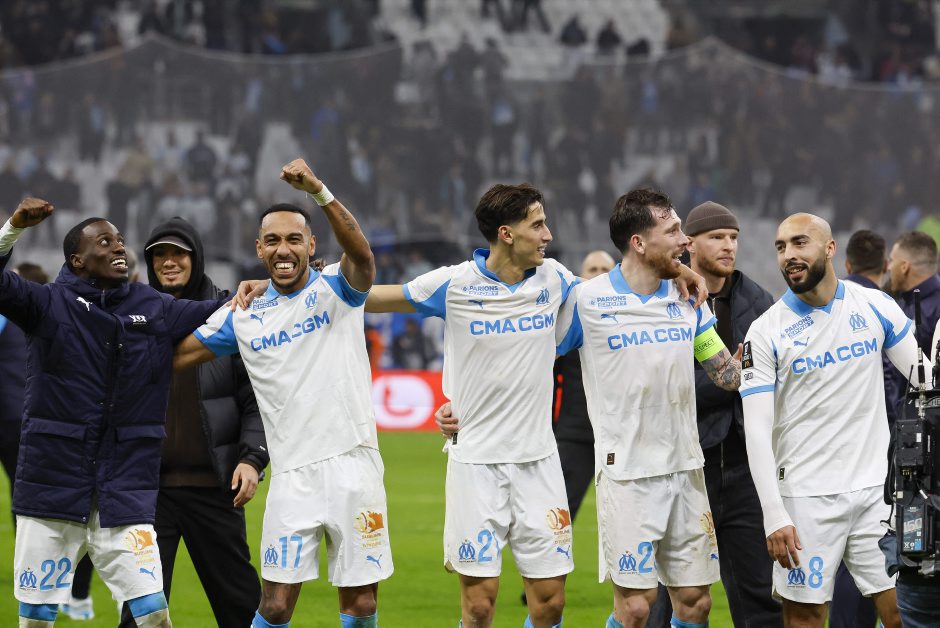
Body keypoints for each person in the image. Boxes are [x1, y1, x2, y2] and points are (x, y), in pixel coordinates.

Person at [372, 183, 708, 627]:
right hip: (476, 463)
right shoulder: (453, 284)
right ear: (507, 233)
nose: (548, 234)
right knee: (479, 607)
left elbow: (620, 288)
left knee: (549, 605)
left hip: (540, 463)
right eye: (538, 225)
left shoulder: (556, 280)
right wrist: (307, 287)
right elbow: (372, 297)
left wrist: (676, 271)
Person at [0, 197, 252, 628]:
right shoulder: (46, 304)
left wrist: (268, 290)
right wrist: (13, 229)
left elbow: (224, 310)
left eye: (119, 239)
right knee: (36, 621)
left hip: (124, 493)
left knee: (153, 615)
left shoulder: (153, 305)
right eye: (104, 242)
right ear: (78, 261)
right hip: (52, 487)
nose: (119, 246)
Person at [173, 159, 389, 628]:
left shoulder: (338, 287)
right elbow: (176, 355)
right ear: (259, 249)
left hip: (354, 465)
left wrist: (318, 190)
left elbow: (364, 257)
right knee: (273, 605)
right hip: (292, 476)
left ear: (312, 245)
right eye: (272, 240)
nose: (283, 249)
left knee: (361, 604)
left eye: (294, 239)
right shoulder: (243, 313)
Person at [555, 189, 742, 628]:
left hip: (685, 468)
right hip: (627, 475)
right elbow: (532, 357)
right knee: (636, 608)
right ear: (638, 242)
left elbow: (725, 375)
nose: (685, 240)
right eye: (673, 230)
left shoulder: (687, 298)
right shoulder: (587, 300)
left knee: (695, 603)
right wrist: (464, 404)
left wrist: (754, 362)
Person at [740, 213, 927, 628]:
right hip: (805, 498)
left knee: (902, 613)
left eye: (799, 243)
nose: (788, 254)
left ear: (829, 249)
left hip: (876, 494)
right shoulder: (765, 332)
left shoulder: (875, 305)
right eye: (781, 247)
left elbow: (925, 381)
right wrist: (774, 514)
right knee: (805, 618)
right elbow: (756, 429)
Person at [115, 217, 269, 628]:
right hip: (148, 493)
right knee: (140, 614)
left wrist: (252, 458)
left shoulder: (232, 314)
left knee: (241, 609)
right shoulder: (133, 317)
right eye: (159, 255)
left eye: (178, 253)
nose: (168, 262)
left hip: (215, 490)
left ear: (196, 257)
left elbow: (256, 399)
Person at [647, 201, 780, 627]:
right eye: (716, 237)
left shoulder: (759, 301)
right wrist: (729, 381)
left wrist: (735, 381)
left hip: (743, 471)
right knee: (663, 599)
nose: (728, 246)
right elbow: (665, 388)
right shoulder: (664, 300)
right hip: (685, 468)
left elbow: (769, 384)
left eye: (733, 237)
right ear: (689, 244)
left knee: (761, 596)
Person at [829, 229, 893, 628]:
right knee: (883, 554)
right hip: (884, 453)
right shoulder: (890, 309)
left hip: (829, 458)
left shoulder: (824, 311)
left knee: (843, 560)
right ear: (886, 266)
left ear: (846, 263)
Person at [552, 250, 615, 521]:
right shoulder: (565, 322)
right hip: (575, 435)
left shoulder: (631, 320)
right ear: (580, 275)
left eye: (605, 269)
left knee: (628, 518)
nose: (598, 275)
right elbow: (547, 382)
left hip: (620, 435)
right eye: (592, 269)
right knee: (557, 516)